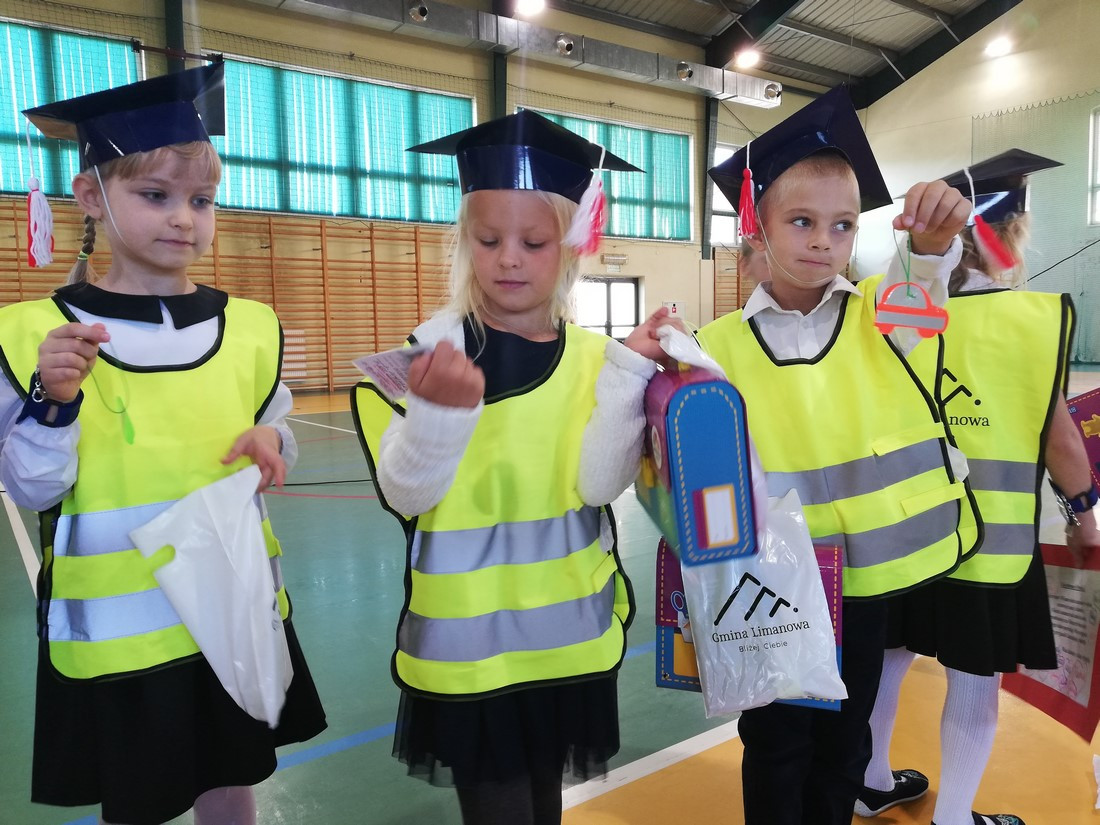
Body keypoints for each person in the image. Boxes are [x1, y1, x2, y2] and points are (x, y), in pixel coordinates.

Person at [0, 64, 326, 825]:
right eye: (156, 196)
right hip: (123, 635)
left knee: (231, 778)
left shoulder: (249, 327)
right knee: (138, 800)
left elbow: (277, 434)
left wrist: (272, 442)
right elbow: (32, 487)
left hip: (231, 610)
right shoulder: (36, 336)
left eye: (201, 200)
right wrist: (54, 402)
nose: (184, 219)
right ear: (90, 196)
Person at [350, 109, 677, 825]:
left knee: (543, 801)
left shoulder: (596, 360)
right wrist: (437, 415)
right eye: (489, 239)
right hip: (468, 651)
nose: (508, 259)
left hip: (566, 642)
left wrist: (628, 370)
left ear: (571, 245)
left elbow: (598, 485)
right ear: (464, 242)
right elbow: (406, 493)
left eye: (534, 242)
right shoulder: (427, 357)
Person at [698, 85, 975, 825]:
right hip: (769, 590)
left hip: (862, 587)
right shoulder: (713, 348)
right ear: (756, 226)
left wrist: (932, 244)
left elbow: (924, 283)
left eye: (844, 224)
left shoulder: (884, 314)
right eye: (802, 221)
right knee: (775, 742)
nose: (824, 240)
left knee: (845, 741)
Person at [858, 149, 1099, 825]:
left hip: (901, 531)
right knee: (973, 677)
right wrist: (1083, 513)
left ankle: (871, 782)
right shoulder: (1032, 320)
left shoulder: (888, 308)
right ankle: (955, 816)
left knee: (889, 656)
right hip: (988, 542)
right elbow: (1060, 438)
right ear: (1009, 233)